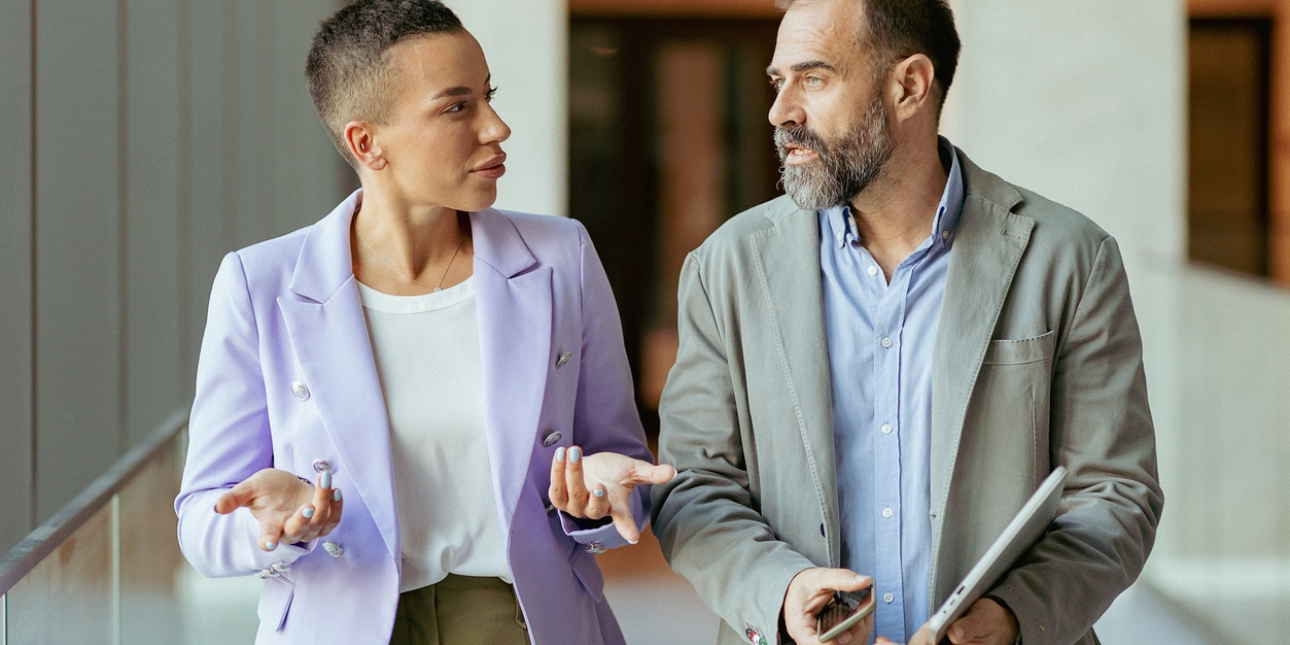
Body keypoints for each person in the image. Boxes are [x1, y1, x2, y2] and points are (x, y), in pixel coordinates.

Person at [650, 0, 1164, 644]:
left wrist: (1012, 616)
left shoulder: (1071, 258)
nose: (781, 113)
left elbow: (1115, 494)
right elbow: (692, 485)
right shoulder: (724, 266)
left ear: (908, 86)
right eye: (778, 82)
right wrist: (779, 591)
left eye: (813, 78)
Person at [173, 2, 673, 644]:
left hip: (524, 622)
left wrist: (601, 503)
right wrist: (272, 526)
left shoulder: (560, 258)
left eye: (488, 96)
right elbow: (200, 523)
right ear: (366, 142)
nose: (497, 127)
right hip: (342, 623)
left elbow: (623, 465)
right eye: (457, 107)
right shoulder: (261, 283)